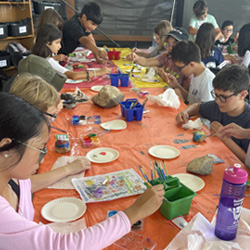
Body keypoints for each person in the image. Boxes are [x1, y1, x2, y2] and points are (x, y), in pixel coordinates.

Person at [0, 91, 165, 249]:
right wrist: (133, 213)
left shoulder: (11, 175)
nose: (42, 156)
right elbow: (63, 246)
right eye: (39, 148)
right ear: (5, 147)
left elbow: (26, 185)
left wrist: (68, 169)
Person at [8, 74, 91, 193]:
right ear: (32, 114)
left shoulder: (17, 128)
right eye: (51, 116)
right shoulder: (13, 144)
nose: (51, 122)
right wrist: (68, 169)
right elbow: (22, 186)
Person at [176, 64, 250, 163]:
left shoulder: (247, 120)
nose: (218, 101)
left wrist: (225, 139)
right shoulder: (218, 107)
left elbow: (246, 160)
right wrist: (185, 112)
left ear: (242, 95)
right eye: (215, 94)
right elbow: (197, 107)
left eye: (223, 97)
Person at [32, 24, 111, 81]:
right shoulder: (48, 61)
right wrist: (99, 72)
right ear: (47, 42)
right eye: (57, 43)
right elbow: (74, 76)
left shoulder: (35, 57)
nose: (60, 46)